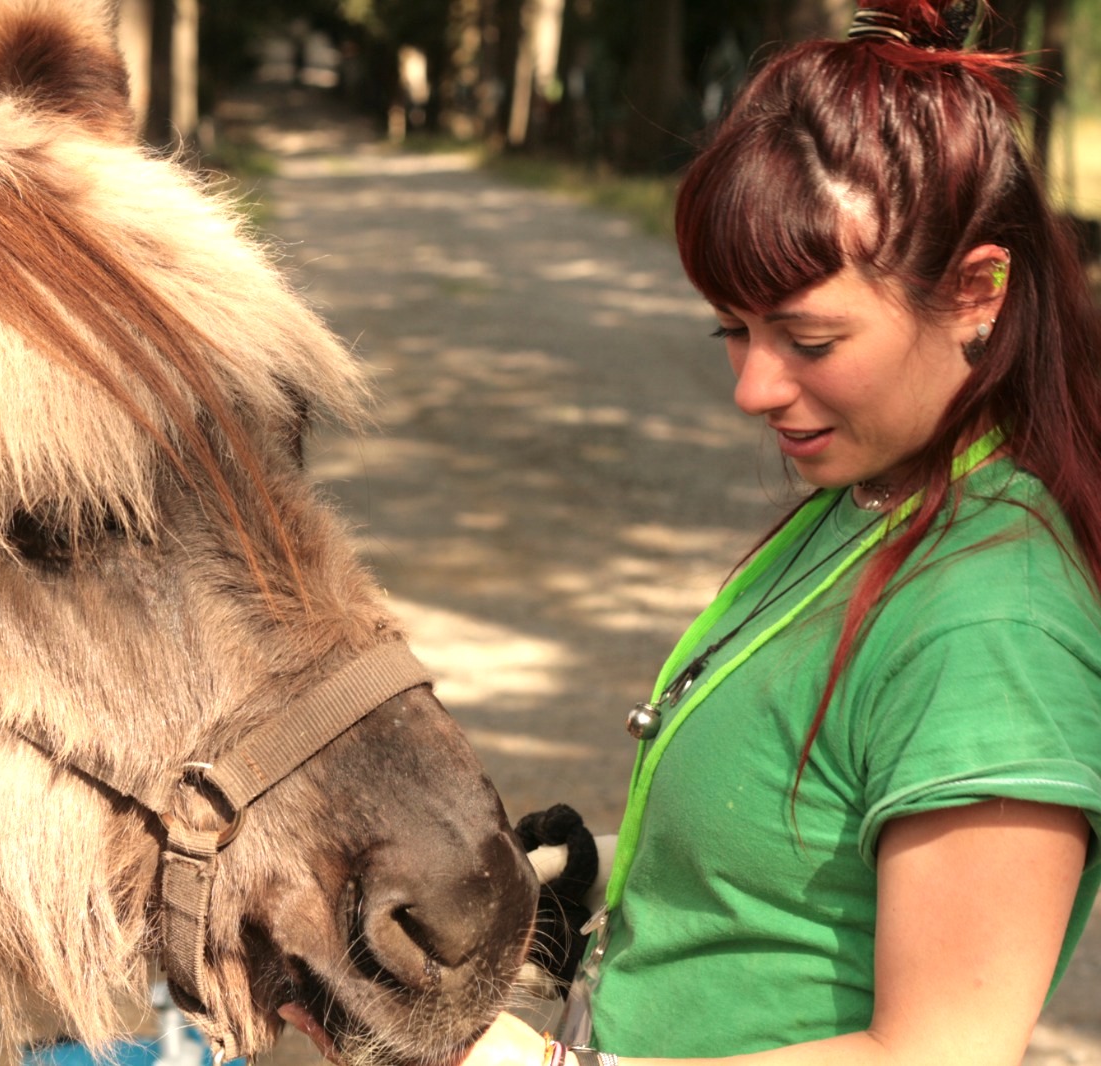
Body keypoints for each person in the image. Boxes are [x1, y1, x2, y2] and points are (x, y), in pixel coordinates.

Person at [295, 1, 1101, 1064]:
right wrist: (584, 921)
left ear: (976, 293)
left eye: (809, 337)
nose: (754, 386)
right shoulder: (873, 500)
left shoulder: (995, 621)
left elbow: (940, 1051)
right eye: (732, 329)